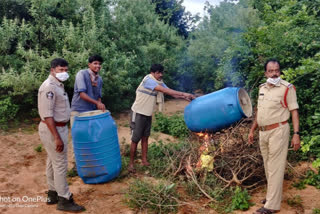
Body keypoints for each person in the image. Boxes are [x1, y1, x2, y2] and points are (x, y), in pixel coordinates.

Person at [248, 59, 300, 214]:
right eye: (270, 71)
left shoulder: (287, 88)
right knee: (267, 165)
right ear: (266, 73)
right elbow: (259, 111)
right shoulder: (262, 88)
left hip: (279, 130)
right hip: (263, 132)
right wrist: (252, 130)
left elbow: (294, 111)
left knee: (275, 167)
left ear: (280, 71)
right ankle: (273, 196)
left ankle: (271, 205)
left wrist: (296, 134)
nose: (274, 73)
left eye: (276, 70)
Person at [128, 64, 196, 172]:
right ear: (153, 73)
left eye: (161, 72)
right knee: (135, 139)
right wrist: (184, 93)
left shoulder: (159, 82)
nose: (161, 75)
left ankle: (144, 160)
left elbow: (172, 93)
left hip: (147, 114)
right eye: (158, 73)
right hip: (138, 112)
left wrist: (185, 97)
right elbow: (165, 91)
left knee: (145, 137)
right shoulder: (148, 80)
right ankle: (131, 164)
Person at [38, 58, 85, 212]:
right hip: (53, 129)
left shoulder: (58, 85)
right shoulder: (49, 87)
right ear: (52, 70)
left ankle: (53, 194)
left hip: (57, 128)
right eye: (60, 70)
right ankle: (64, 199)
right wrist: (57, 137)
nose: (64, 73)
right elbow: (48, 115)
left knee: (52, 162)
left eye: (66, 70)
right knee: (60, 164)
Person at [70, 55, 105, 169]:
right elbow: (82, 94)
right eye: (95, 63)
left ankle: (89, 164)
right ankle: (77, 166)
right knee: (78, 139)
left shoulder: (99, 79)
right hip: (78, 111)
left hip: (91, 113)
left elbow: (98, 96)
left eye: (99, 64)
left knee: (90, 137)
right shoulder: (82, 74)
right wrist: (97, 103)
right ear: (89, 64)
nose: (97, 66)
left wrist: (100, 106)